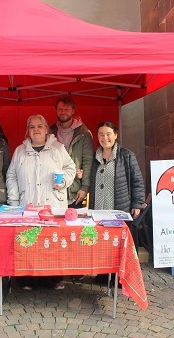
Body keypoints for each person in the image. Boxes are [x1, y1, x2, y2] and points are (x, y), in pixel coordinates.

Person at [6, 114, 75, 291]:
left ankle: (54, 278)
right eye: (32, 127)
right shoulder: (20, 151)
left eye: (39, 126)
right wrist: (13, 200)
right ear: (27, 131)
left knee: (52, 241)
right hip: (27, 204)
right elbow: (11, 176)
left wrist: (64, 182)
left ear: (46, 129)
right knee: (29, 241)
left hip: (52, 203)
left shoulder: (58, 148)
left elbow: (70, 168)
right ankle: (27, 280)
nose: (36, 129)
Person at [89, 121, 145, 284]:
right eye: (101, 134)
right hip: (99, 210)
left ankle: (121, 279)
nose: (104, 137)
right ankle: (102, 276)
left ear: (115, 135)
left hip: (119, 208)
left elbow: (137, 181)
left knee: (119, 245)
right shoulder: (95, 157)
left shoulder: (126, 156)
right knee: (103, 244)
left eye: (108, 134)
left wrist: (137, 203)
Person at [50, 96, 94, 208]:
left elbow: (88, 163)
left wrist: (84, 188)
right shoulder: (50, 132)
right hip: (52, 191)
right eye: (60, 109)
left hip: (74, 192)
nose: (63, 112)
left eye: (66, 109)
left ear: (73, 111)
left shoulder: (84, 134)